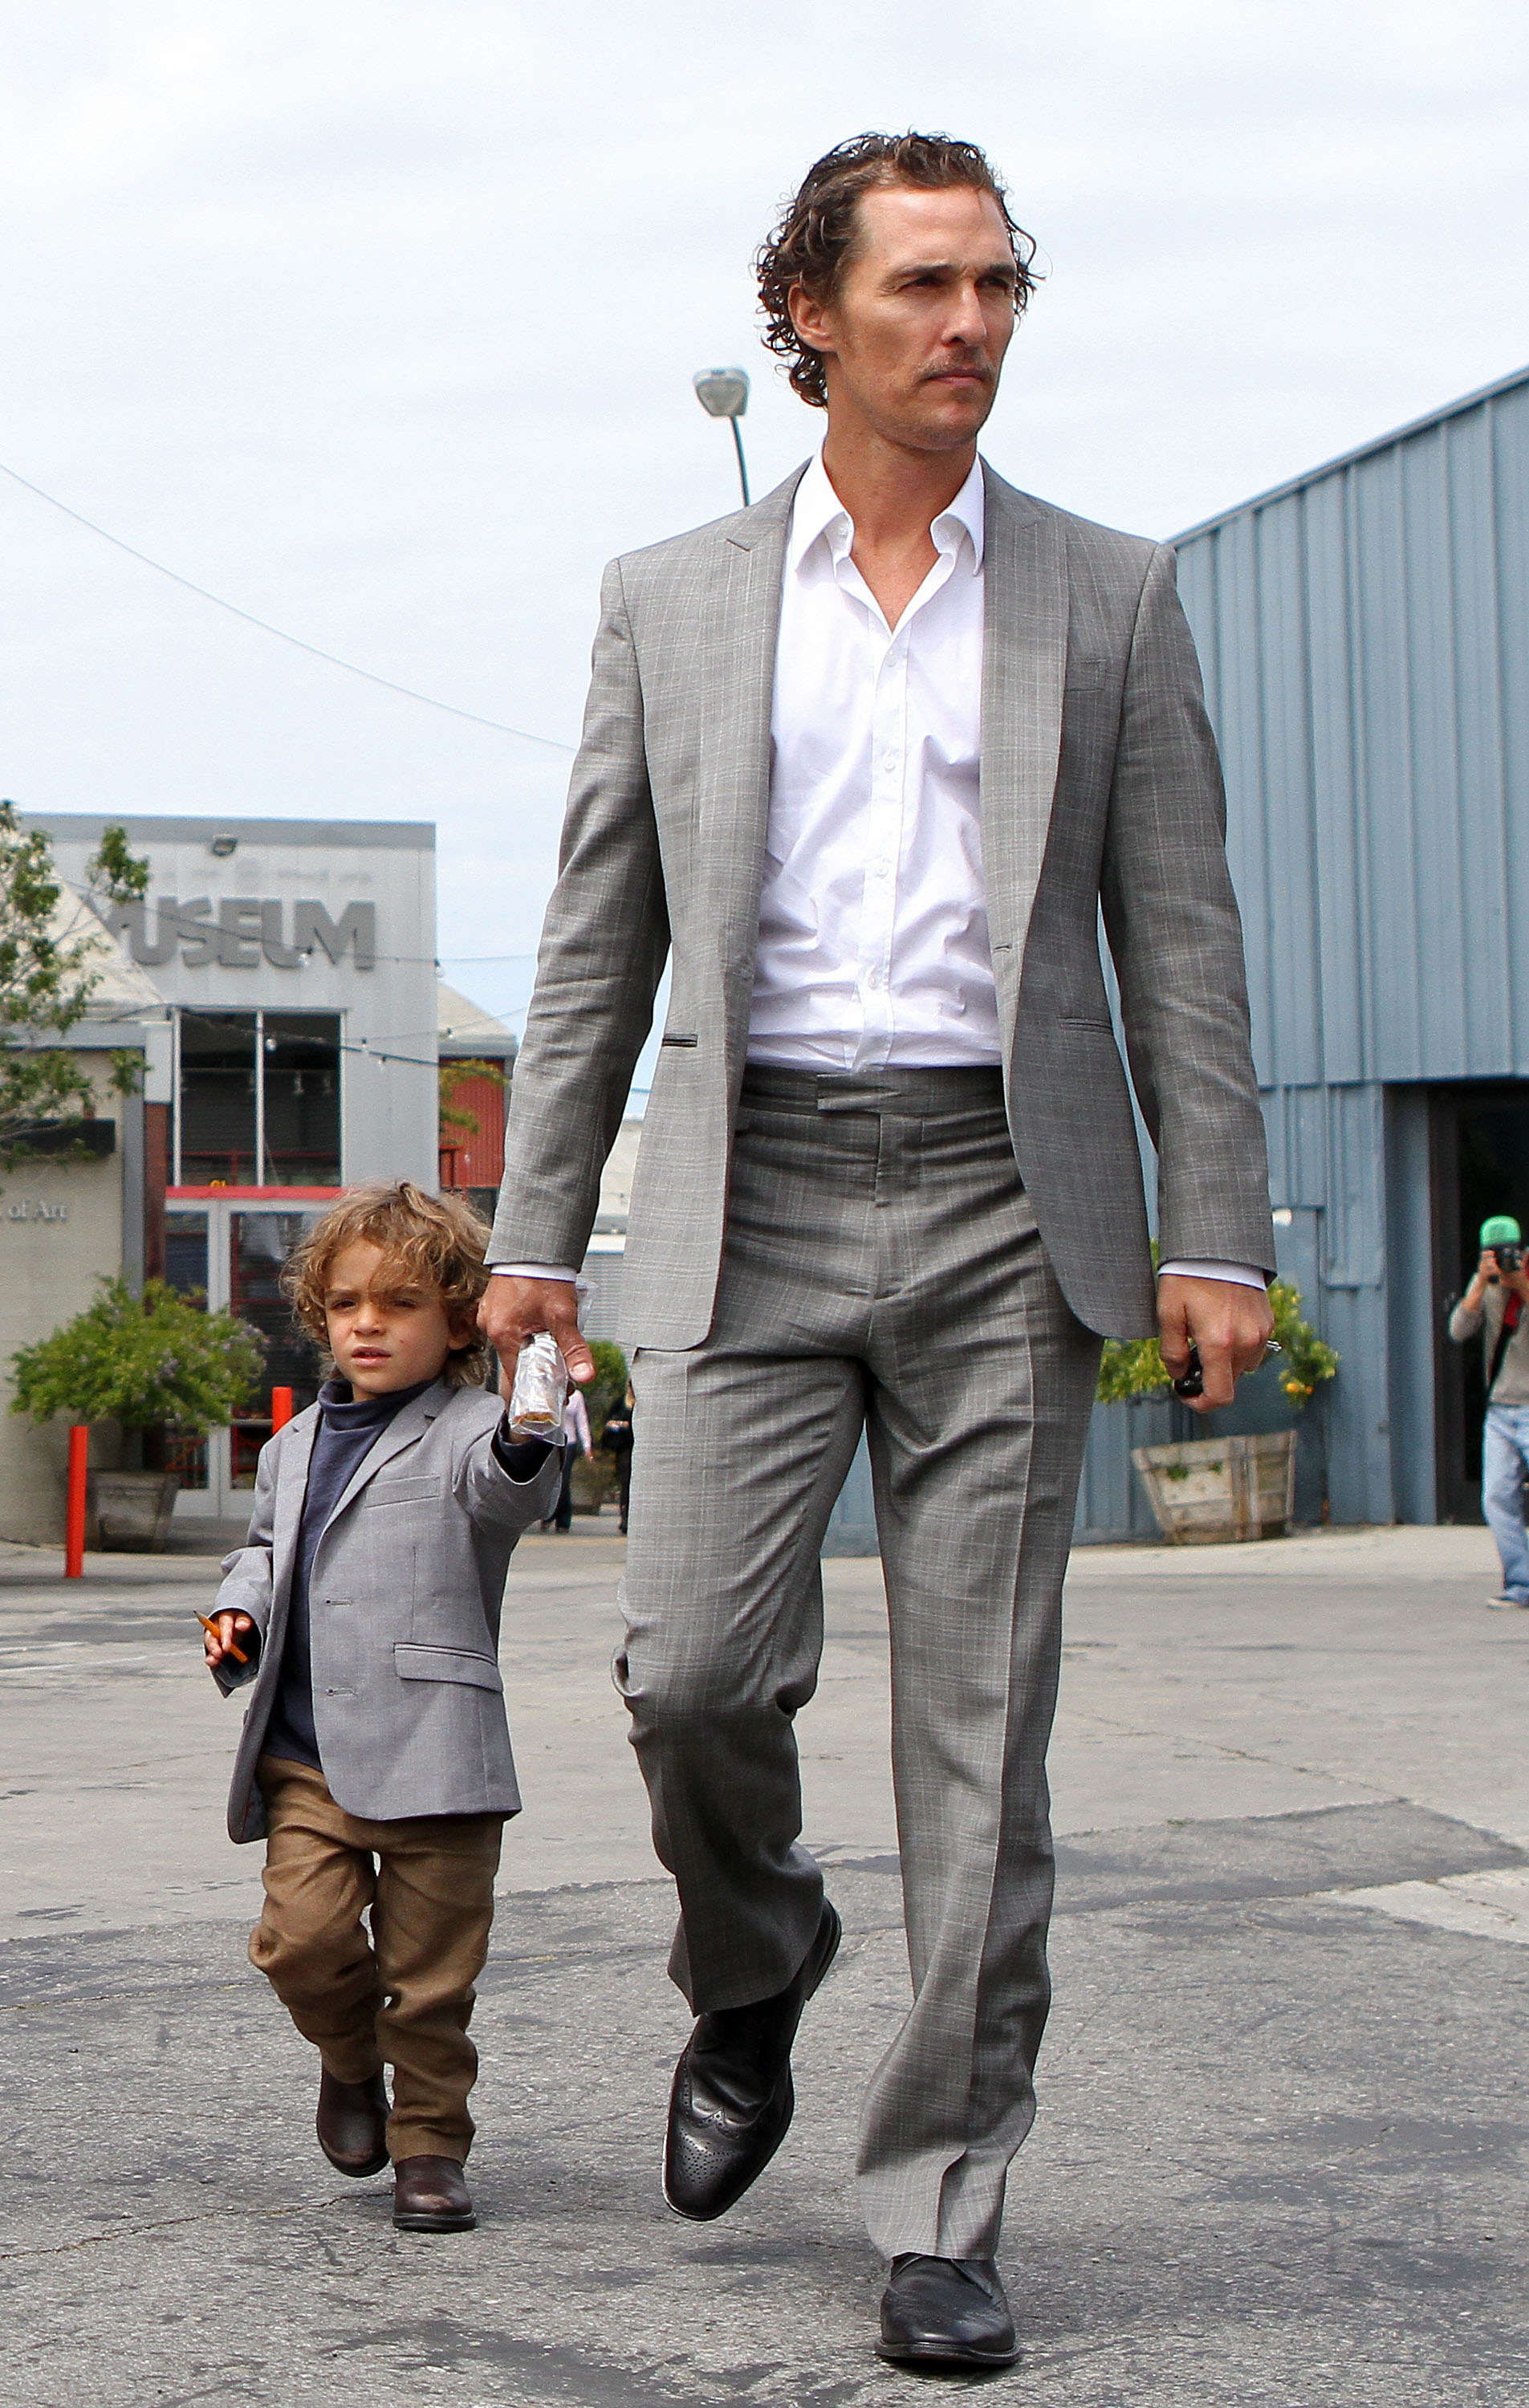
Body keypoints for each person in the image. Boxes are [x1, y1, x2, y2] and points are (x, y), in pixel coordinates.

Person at [480, 132, 1275, 2369]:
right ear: (809, 314)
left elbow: (1179, 943)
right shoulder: (675, 598)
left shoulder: (1109, 594)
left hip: (1011, 1208)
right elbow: (591, 944)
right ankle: (752, 1964)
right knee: (692, 1677)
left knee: (980, 1738)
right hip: (747, 1203)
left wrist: (1217, 1227)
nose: (975, 327)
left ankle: (939, 2199)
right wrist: (536, 1236)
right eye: (928, 286)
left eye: (1003, 286)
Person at [201, 1183, 562, 2234]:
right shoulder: (292, 1444)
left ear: (456, 1321)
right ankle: (352, 2065)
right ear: (319, 1313)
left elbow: (511, 1490)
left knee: (431, 1976)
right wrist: (236, 1611)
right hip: (305, 1750)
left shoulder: (473, 1430)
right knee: (300, 1940)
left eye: (400, 1302)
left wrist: (532, 1422)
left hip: (437, 1754)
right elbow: (265, 1552)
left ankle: (432, 2144)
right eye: (348, 1301)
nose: (368, 1321)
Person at [1448, 1214, 1529, 1609]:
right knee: (1497, 1497)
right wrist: (1481, 1283)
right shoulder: (1488, 1282)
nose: (1502, 1258)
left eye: (1508, 1251)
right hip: (1500, 1411)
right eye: (1493, 1253)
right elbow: (1458, 1331)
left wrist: (1522, 1286)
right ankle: (1521, 1584)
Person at [548, 1381, 594, 1530]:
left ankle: (563, 1519)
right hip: (550, 1441)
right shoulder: (548, 1391)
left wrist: (587, 1446)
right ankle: (549, 1514)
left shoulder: (576, 1396)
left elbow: (582, 1421)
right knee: (551, 1480)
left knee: (564, 1480)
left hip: (569, 1442)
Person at [603, 1383, 636, 1533]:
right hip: (624, 1450)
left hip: (638, 1447)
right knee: (626, 1484)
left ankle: (633, 1516)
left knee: (635, 1486)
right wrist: (615, 1424)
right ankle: (625, 1518)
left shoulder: (643, 1403)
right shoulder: (620, 1402)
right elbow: (609, 1420)